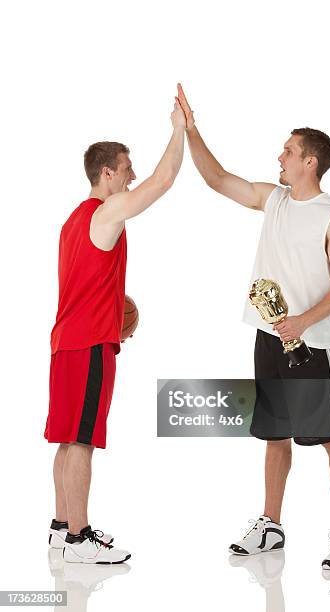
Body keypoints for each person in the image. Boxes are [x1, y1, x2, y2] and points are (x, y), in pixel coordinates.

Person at [176, 83, 330, 570]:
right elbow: (217, 179)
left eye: (289, 150)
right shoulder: (274, 200)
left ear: (310, 162)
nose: (280, 156)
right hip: (267, 338)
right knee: (275, 436)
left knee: (328, 438)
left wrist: (303, 320)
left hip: (310, 344)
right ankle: (271, 525)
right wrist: (191, 131)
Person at [44, 97, 186, 564]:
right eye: (126, 168)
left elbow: (85, 284)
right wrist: (179, 129)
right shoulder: (104, 214)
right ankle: (82, 539)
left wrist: (109, 312)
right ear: (106, 173)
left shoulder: (70, 223)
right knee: (82, 440)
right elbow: (163, 181)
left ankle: (62, 530)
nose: (132, 174)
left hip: (66, 343)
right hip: (87, 346)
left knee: (68, 439)